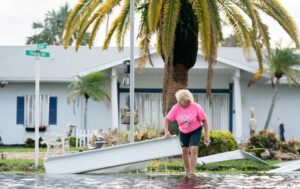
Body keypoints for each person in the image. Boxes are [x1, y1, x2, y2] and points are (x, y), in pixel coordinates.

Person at [163, 89, 210, 177]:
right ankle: (187, 171)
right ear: (180, 101)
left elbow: (204, 121)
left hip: (196, 130)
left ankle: (192, 172)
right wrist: (166, 131)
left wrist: (207, 135)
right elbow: (166, 120)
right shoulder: (176, 108)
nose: (188, 103)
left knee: (193, 149)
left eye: (189, 101)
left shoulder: (196, 106)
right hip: (183, 132)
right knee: (184, 151)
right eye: (186, 101)